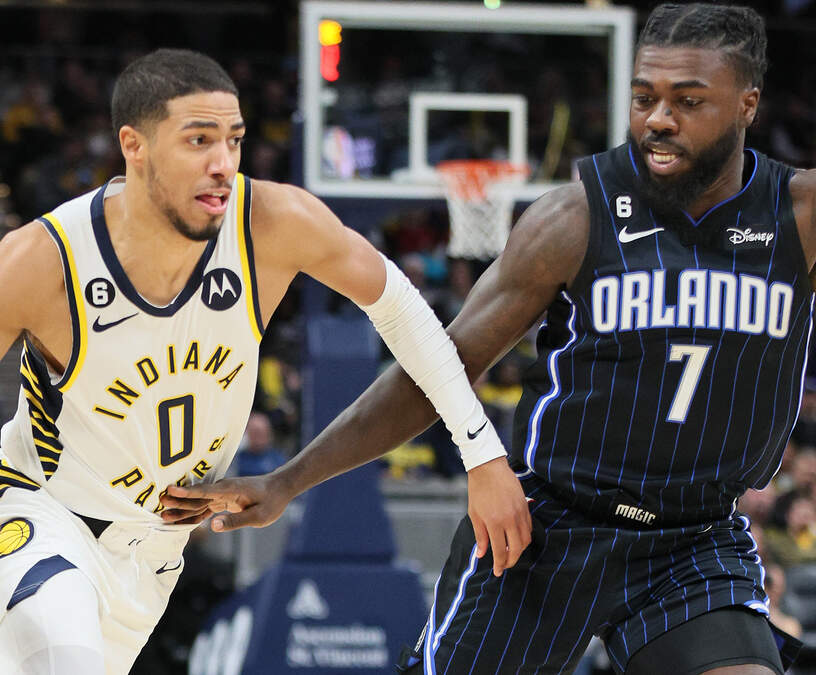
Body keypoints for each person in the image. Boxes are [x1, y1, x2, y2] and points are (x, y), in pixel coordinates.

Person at [0, 48, 512, 675]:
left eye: (234, 139)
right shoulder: (42, 260)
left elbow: (403, 311)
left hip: (155, 553)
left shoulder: (273, 223)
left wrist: (481, 454)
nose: (223, 162)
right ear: (135, 146)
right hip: (41, 516)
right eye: (199, 140)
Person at [170, 5, 811, 674]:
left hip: (694, 536)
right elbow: (437, 369)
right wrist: (288, 480)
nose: (658, 119)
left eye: (688, 101)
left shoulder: (799, 216)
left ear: (748, 104)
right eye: (644, 97)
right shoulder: (575, 217)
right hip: (548, 528)